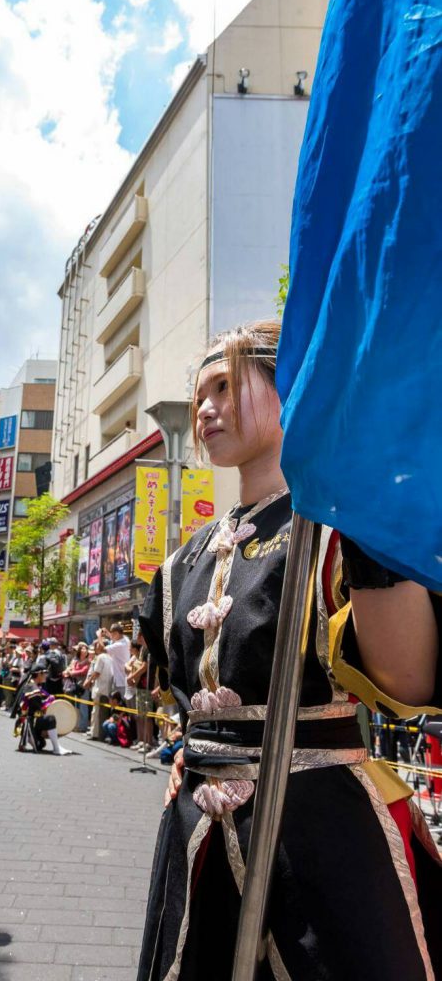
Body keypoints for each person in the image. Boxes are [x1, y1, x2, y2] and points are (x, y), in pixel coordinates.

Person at [138, 321, 442, 980]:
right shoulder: (177, 568)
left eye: (226, 386)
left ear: (292, 391)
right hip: (197, 835)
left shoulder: (342, 528)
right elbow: (172, 702)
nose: (206, 408)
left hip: (320, 832)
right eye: (198, 397)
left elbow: (406, 678)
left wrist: (371, 523)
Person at [16, 665, 71, 755]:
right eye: (44, 673)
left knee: (41, 744)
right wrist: (49, 700)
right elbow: (40, 707)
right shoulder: (32, 688)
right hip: (29, 721)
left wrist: (49, 697)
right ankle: (56, 748)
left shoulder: (32, 685)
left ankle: (32, 737)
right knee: (50, 719)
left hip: (31, 718)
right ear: (39, 674)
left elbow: (42, 697)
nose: (46, 675)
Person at [87, 637, 114, 741]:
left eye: (97, 645)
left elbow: (97, 672)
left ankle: (96, 734)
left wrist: (89, 681)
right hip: (107, 688)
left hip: (99, 688)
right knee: (102, 712)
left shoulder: (101, 657)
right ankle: (99, 734)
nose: (95, 647)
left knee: (97, 712)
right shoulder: (110, 657)